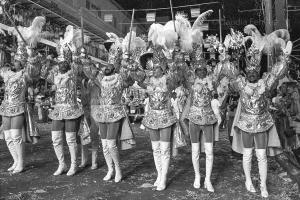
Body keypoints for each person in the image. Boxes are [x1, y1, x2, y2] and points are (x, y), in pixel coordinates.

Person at [230, 36, 292, 197]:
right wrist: (224, 54)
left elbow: (277, 73)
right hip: (245, 124)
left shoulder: (265, 83)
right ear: (246, 72)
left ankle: (263, 185)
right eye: (249, 72)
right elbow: (230, 72)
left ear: (258, 71)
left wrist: (285, 58)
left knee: (261, 155)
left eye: (254, 72)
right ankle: (249, 180)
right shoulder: (241, 83)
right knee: (248, 154)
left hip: (262, 123)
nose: (251, 74)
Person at [82, 31, 141, 183]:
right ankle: (110, 169)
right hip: (102, 114)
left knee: (111, 143)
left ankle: (118, 169)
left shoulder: (120, 78)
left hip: (115, 112)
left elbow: (136, 78)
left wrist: (130, 63)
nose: (106, 66)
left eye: (110, 65)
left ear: (114, 67)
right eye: (106, 64)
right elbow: (89, 72)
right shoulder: (101, 78)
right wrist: (84, 58)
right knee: (104, 144)